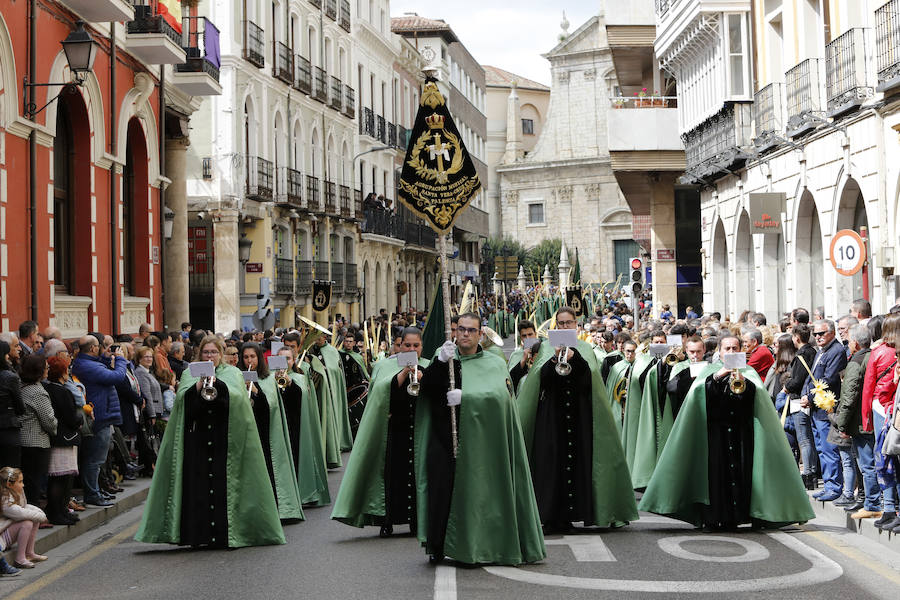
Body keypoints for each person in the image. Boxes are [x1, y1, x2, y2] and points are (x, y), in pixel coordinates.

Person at [639, 335, 815, 530]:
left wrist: (743, 383)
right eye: (727, 349)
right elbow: (699, 394)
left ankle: (736, 517)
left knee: (741, 476)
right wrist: (719, 375)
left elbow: (757, 400)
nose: (731, 352)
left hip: (742, 433)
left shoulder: (749, 373)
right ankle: (714, 517)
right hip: (715, 433)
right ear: (719, 352)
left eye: (735, 348)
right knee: (716, 477)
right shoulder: (710, 371)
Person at [416, 313, 545, 565]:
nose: (464, 334)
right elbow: (428, 391)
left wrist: (469, 397)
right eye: (461, 329)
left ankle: (482, 544)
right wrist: (439, 363)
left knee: (481, 495)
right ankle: (439, 544)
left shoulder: (494, 362)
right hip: (446, 438)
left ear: (479, 335)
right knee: (443, 491)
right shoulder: (444, 359)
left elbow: (501, 399)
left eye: (470, 330)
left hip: (482, 441)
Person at [136, 335, 285, 548]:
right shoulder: (190, 373)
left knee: (223, 487)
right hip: (198, 440)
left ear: (220, 354)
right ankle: (200, 535)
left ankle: (225, 534)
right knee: (199, 489)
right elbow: (182, 404)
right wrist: (198, 386)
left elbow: (239, 401)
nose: (210, 356)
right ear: (200, 354)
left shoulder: (232, 373)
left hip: (224, 439)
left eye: (214, 352)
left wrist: (219, 386)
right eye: (206, 352)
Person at [516, 307, 637, 531]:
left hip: (579, 416)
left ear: (576, 325)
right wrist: (554, 359)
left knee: (578, 464)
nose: (564, 327)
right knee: (553, 465)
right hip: (552, 417)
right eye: (560, 323)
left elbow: (590, 380)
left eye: (568, 323)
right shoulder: (544, 348)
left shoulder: (585, 348)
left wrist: (576, 358)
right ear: (555, 326)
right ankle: (553, 516)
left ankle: (576, 513)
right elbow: (541, 379)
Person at [332, 327, 429, 536]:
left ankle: (416, 520)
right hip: (394, 431)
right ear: (400, 346)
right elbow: (381, 393)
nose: (411, 349)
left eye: (416, 346)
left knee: (417, 478)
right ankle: (388, 520)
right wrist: (404, 373)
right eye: (407, 345)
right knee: (393, 476)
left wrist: (423, 378)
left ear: (421, 347)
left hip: (420, 429)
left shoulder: (428, 367)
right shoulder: (386, 366)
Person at [240, 343, 304, 522]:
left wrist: (255, 392)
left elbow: (274, 406)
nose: (249, 360)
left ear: (259, 358)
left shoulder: (267, 379)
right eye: (246, 357)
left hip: (264, 431)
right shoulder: (236, 376)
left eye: (252, 356)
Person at [70, 335, 126, 507]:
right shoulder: (87, 366)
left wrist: (104, 357)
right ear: (93, 348)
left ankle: (95, 491)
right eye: (99, 347)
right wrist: (121, 360)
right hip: (99, 416)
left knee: (96, 459)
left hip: (101, 414)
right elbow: (116, 377)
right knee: (94, 459)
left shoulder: (85, 363)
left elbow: (99, 370)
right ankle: (92, 494)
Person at [833, 325, 878, 517]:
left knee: (866, 465)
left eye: (850, 341)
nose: (849, 344)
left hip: (861, 422)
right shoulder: (873, 356)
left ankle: (872, 503)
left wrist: (841, 424)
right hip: (872, 418)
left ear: (856, 343)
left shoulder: (856, 361)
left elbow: (849, 396)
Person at [275, 346, 329, 507]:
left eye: (288, 359)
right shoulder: (268, 378)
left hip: (296, 424)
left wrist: (289, 383)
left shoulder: (299, 377)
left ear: (293, 361)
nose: (284, 364)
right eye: (280, 360)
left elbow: (301, 399)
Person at [801, 320, 848, 502]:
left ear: (832, 332)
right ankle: (828, 484)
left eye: (822, 333)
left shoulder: (836, 351)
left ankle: (834, 486)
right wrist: (806, 394)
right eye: (816, 334)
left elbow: (829, 380)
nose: (818, 337)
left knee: (829, 450)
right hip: (816, 408)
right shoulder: (822, 351)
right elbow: (811, 377)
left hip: (826, 408)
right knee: (821, 449)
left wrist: (810, 398)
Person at [862, 314, 900, 529]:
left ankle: (889, 508)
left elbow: (868, 388)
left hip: (881, 410)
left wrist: (866, 417)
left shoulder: (878, 352)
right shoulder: (890, 352)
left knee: (884, 460)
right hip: (893, 409)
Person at [42, 356, 82, 525]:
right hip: (64, 438)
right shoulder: (62, 391)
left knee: (60, 477)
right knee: (61, 477)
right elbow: (71, 417)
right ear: (63, 372)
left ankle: (60, 510)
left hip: (56, 437)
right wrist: (81, 417)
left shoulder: (49, 388)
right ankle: (56, 512)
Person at [19, 355, 57, 506]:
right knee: (34, 482)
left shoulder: (21, 387)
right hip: (36, 442)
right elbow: (49, 420)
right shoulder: (38, 392)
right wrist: (55, 427)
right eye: (46, 367)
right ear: (39, 370)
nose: (48, 369)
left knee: (28, 481)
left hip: (24, 440)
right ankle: (34, 516)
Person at [785, 324, 818, 489]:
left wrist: (786, 387)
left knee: (803, 439)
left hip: (799, 400)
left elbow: (796, 380)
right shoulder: (814, 351)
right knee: (809, 439)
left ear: (796, 338)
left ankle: (808, 473)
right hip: (810, 398)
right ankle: (812, 472)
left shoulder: (801, 355)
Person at [310, 336, 353, 452]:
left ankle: (334, 444)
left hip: (329, 388)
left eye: (319, 336)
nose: (317, 339)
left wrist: (323, 369)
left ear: (324, 337)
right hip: (315, 388)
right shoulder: (310, 350)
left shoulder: (332, 351)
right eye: (316, 336)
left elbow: (334, 370)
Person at [0, 467, 48, 569]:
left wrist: (39, 513)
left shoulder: (16, 491)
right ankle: (20, 559)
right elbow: (20, 513)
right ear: (9, 485)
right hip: (2, 537)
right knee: (27, 523)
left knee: (33, 519)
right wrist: (41, 516)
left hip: (8, 530)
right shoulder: (4, 499)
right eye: (20, 482)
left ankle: (29, 553)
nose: (23, 485)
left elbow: (24, 506)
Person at [338, 333, 369, 436]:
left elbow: (363, 372)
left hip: (353, 388)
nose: (348, 344)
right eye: (346, 341)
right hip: (341, 387)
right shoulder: (338, 354)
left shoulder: (357, 357)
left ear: (354, 343)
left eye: (350, 342)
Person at [0, 341, 24, 468]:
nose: (8, 357)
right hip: (8, 429)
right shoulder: (10, 377)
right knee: (11, 472)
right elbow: (21, 408)